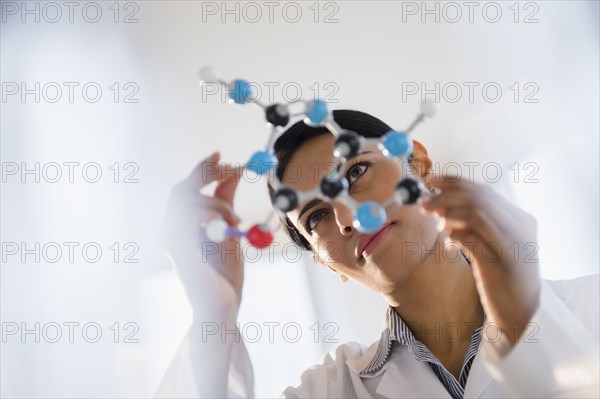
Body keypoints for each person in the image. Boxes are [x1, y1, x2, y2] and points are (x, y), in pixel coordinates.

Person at [156, 110, 599, 398]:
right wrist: (213, 314)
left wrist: (524, 319)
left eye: (357, 171)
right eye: (315, 218)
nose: (348, 217)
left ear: (418, 166)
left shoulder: (588, 309)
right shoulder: (333, 389)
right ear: (325, 262)